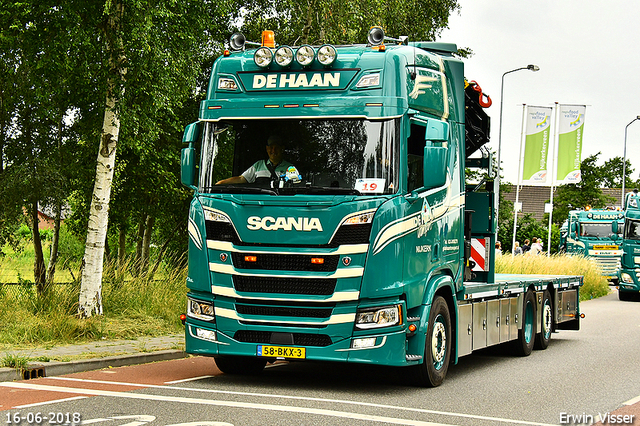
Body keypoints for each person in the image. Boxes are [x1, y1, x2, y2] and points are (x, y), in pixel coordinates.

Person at [216, 135, 295, 185]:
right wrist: (221, 183)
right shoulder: (258, 165)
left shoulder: (290, 168)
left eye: (276, 147)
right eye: (271, 147)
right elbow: (241, 179)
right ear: (267, 149)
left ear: (282, 149)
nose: (273, 150)